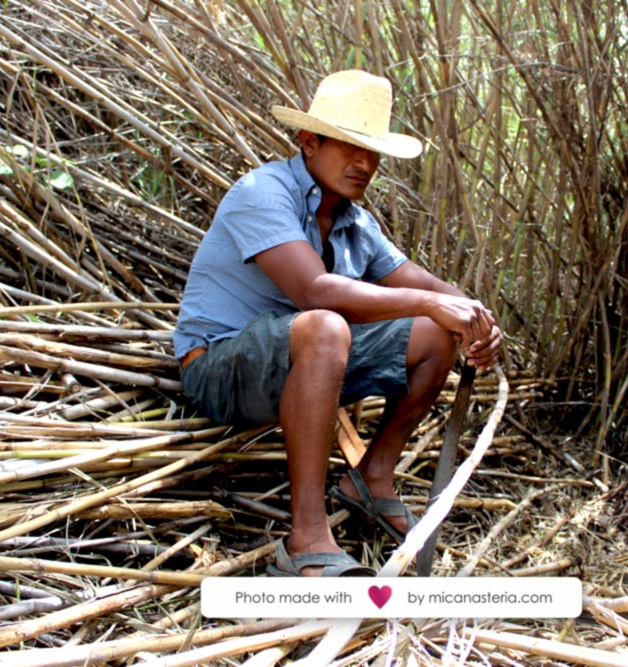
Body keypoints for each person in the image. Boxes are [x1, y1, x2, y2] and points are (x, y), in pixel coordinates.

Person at [174, 70, 503, 576]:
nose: (364, 164)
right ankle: (306, 538)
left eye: (372, 153)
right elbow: (315, 292)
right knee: (325, 322)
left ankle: (370, 479)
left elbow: (424, 283)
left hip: (305, 367)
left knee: (435, 334)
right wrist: (434, 304)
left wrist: (474, 317)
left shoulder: (356, 222)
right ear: (309, 141)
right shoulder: (261, 190)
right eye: (350, 147)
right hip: (220, 368)